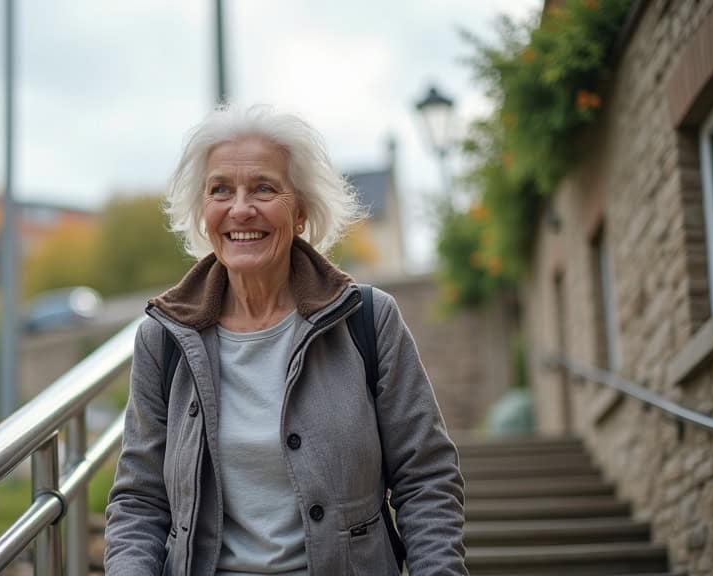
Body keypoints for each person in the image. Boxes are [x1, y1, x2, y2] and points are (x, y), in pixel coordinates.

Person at [105, 104, 466, 576]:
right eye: (220, 190)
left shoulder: (368, 319)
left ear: (300, 211)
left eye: (263, 188)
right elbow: (139, 500)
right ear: (202, 211)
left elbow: (427, 479)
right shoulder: (164, 337)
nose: (240, 209)